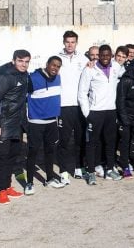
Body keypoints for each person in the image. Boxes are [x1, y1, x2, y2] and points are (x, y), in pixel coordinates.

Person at [0, 49, 32, 204]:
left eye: (26, 61)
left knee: (13, 156)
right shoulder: (4, 77)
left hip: (17, 125)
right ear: (13, 61)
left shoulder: (25, 75)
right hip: (3, 125)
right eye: (20, 61)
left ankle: (7, 186)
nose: (23, 64)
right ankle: (0, 191)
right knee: (2, 158)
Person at [78, 44, 125, 185]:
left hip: (111, 111)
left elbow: (127, 72)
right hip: (95, 112)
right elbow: (82, 93)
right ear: (99, 55)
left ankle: (110, 169)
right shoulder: (89, 69)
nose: (105, 58)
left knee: (110, 142)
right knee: (92, 143)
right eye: (102, 55)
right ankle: (91, 172)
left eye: (107, 55)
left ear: (111, 55)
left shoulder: (116, 67)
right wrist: (88, 114)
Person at [25, 56, 65, 195]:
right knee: (33, 152)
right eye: (53, 65)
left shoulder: (58, 78)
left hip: (51, 122)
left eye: (58, 66)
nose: (55, 68)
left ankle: (50, 178)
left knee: (50, 152)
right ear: (47, 64)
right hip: (35, 122)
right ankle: (29, 183)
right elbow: (21, 98)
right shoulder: (32, 78)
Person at [57, 30, 89, 181]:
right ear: (64, 42)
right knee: (63, 140)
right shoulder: (56, 58)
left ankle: (78, 167)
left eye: (73, 42)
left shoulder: (83, 59)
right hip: (63, 106)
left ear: (76, 43)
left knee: (80, 139)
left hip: (79, 106)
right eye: (67, 41)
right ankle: (63, 170)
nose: (70, 44)